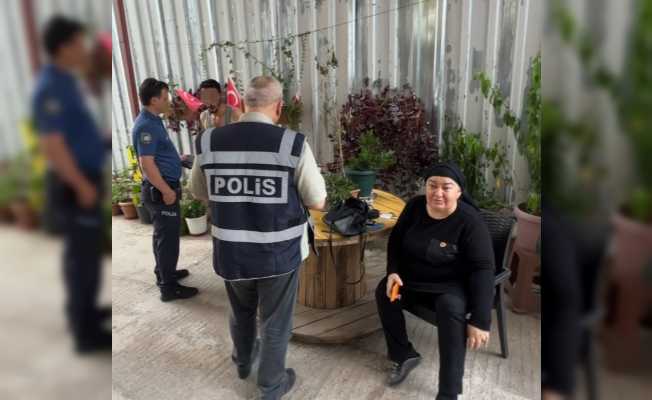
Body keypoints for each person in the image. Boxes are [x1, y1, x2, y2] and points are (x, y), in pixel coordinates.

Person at [189, 75, 326, 400]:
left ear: (243, 103)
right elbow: (317, 201)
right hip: (278, 254)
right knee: (276, 322)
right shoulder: (291, 144)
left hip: (231, 252)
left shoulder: (209, 141)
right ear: (278, 107)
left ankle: (242, 361)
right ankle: (271, 386)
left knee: (242, 311)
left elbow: (198, 192)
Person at [374, 162, 495, 400]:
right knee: (385, 292)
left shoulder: (470, 222)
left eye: (446, 187)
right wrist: (393, 272)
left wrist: (481, 320)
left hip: (449, 286)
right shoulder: (415, 207)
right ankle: (403, 354)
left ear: (459, 191)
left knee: (451, 309)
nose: (438, 193)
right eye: (432, 185)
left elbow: (483, 269)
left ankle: (449, 392)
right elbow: (396, 241)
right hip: (411, 279)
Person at [33, 15, 110, 353]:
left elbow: (73, 134)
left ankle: (86, 314)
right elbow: (53, 145)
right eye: (80, 42)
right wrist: (81, 185)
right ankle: (85, 334)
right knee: (82, 261)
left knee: (86, 256)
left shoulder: (66, 81)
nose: (85, 48)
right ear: (64, 47)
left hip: (84, 178)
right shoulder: (51, 86)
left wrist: (99, 141)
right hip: (74, 184)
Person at [131, 78, 199, 302]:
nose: (168, 99)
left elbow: (156, 156)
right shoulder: (146, 126)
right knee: (168, 240)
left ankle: (164, 272)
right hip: (161, 191)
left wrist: (175, 159)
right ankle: (168, 288)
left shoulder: (154, 120)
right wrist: (166, 191)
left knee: (162, 237)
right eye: (165, 96)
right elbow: (147, 164)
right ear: (154, 100)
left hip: (164, 186)